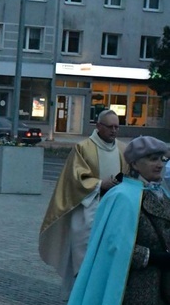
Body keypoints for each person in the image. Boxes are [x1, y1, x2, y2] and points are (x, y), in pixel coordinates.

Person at [58, 136, 170, 305]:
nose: (159, 164)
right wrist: (154, 257)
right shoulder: (122, 196)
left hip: (161, 290)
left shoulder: (161, 194)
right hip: (128, 290)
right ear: (135, 163)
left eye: (162, 158)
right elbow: (114, 245)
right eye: (152, 159)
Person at [39, 109, 127, 295]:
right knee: (83, 253)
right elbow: (74, 178)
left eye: (117, 127)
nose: (114, 131)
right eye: (110, 126)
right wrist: (100, 184)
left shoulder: (122, 149)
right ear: (99, 126)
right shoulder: (83, 148)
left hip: (112, 208)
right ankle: (78, 295)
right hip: (88, 206)